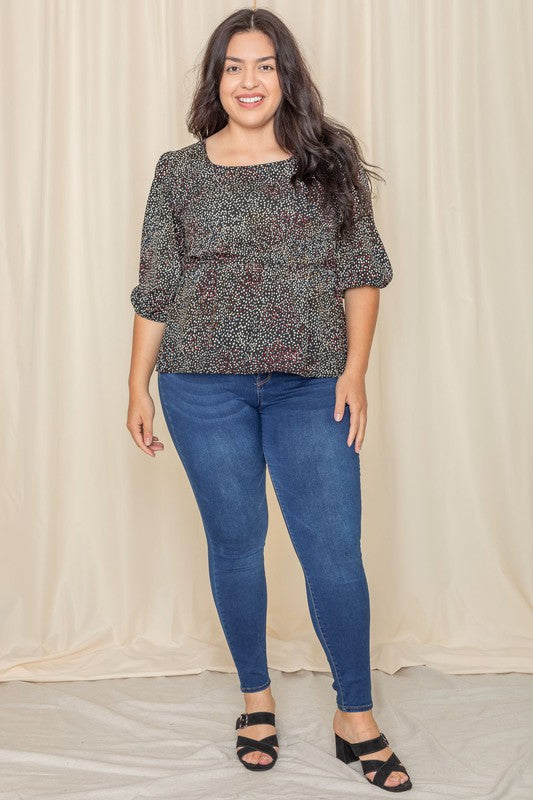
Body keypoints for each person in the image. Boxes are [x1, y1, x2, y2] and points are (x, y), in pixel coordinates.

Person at [126, 6, 412, 793]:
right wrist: (135, 385)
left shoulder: (330, 159)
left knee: (331, 553)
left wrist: (354, 372)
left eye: (264, 66)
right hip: (200, 386)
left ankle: (354, 714)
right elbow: (157, 287)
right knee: (235, 545)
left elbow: (362, 271)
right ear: (214, 78)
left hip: (312, 383)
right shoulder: (177, 171)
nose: (248, 81)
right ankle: (255, 700)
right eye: (232, 66)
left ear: (286, 76)